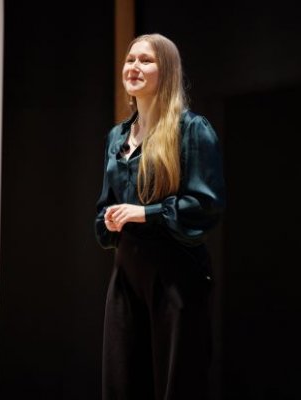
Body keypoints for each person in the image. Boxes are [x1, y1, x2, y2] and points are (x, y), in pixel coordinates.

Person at [95, 33, 225, 400]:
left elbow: (206, 205)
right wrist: (108, 220)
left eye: (145, 60)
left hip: (175, 277)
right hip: (127, 276)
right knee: (121, 384)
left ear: (166, 72)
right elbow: (105, 203)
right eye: (130, 59)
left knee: (176, 385)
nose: (133, 66)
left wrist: (144, 213)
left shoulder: (191, 130)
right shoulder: (117, 137)